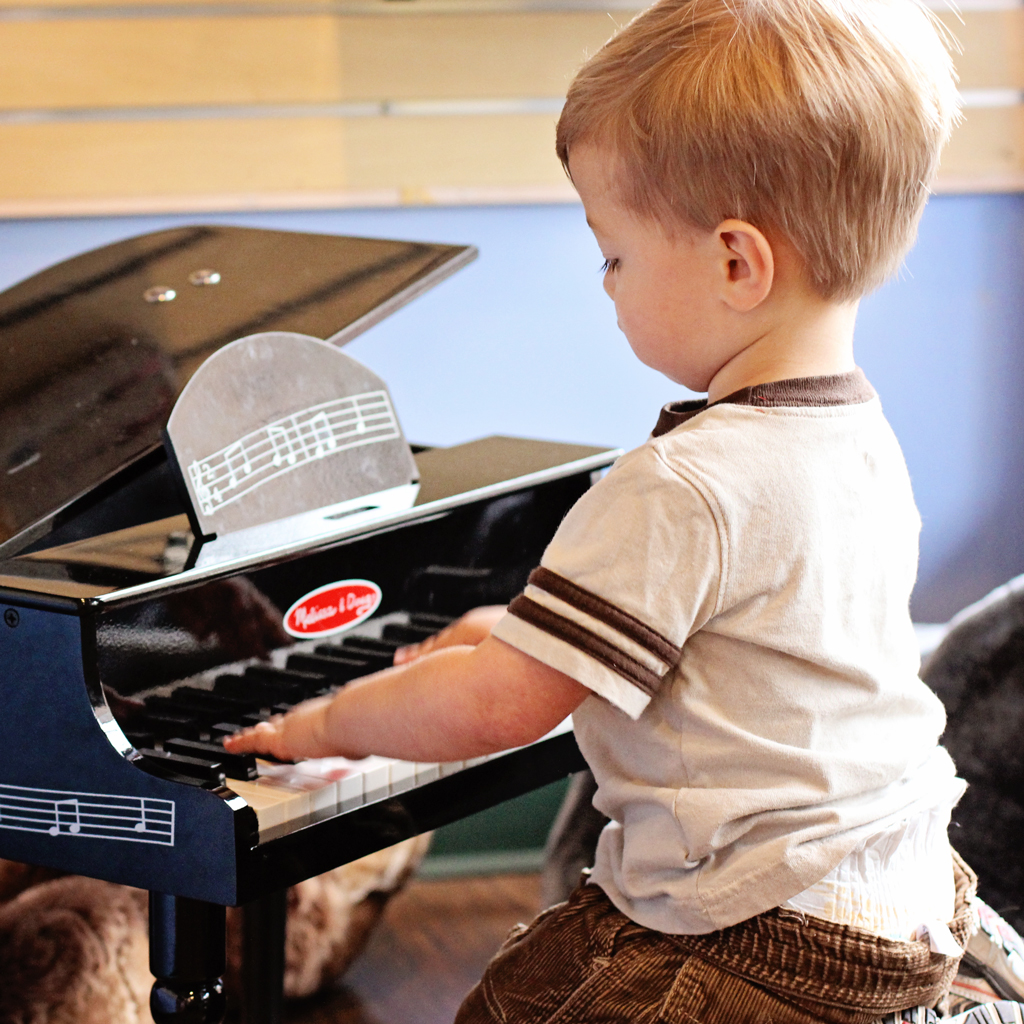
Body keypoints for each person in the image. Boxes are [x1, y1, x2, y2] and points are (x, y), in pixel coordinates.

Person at [227, 0, 980, 1017]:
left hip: (754, 934)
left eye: (613, 254)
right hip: (897, 895)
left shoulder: (682, 482)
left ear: (734, 262)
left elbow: (498, 706)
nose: (606, 286)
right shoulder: (854, 434)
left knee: (517, 1000)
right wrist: (519, 632)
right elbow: (741, 643)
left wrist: (325, 720)